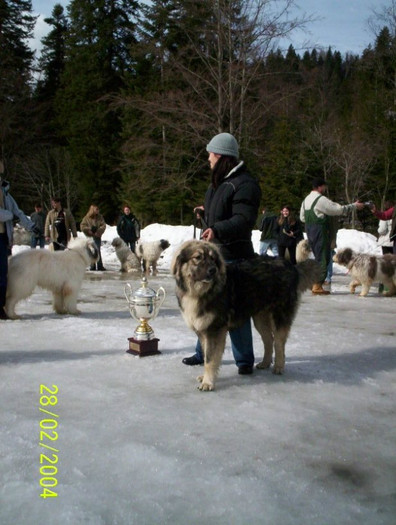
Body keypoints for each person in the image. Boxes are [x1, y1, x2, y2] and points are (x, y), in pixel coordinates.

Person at [182, 132, 261, 375]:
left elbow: (243, 219)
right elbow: (221, 213)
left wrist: (216, 229)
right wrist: (205, 213)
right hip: (214, 257)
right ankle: (201, 353)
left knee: (234, 311)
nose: (208, 159)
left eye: (211, 154)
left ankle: (244, 360)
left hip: (235, 257)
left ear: (222, 156)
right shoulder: (219, 183)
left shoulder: (245, 183)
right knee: (204, 307)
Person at [300, 177, 364, 294]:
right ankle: (317, 285)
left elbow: (302, 218)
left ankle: (313, 282)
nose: (325, 188)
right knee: (324, 259)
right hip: (320, 231)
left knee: (317, 257)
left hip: (310, 231)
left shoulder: (306, 200)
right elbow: (337, 209)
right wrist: (354, 206)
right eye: (324, 186)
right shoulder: (320, 199)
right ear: (320, 187)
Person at [0, 160, 38, 319]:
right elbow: (5, 214)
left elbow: (18, 211)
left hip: (3, 237)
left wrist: (31, 226)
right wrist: (10, 216)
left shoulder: (6, 193)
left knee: (3, 274)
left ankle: (1, 306)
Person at [80, 204, 107, 270]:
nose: (98, 210)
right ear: (92, 210)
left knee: (97, 250)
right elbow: (82, 226)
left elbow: (103, 225)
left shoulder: (100, 217)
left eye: (98, 209)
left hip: (97, 236)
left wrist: (99, 231)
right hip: (89, 237)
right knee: (90, 251)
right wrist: (88, 230)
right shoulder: (86, 218)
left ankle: (100, 265)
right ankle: (92, 265)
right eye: (96, 209)